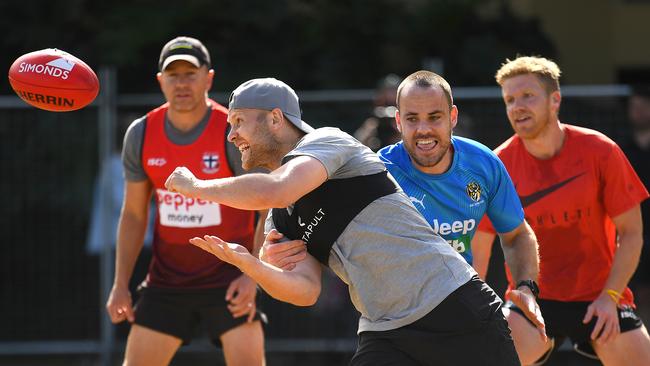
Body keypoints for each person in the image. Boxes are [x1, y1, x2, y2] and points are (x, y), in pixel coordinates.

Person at [164, 77, 520, 365]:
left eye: (238, 121)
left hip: (453, 304)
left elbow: (280, 187)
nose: (231, 135)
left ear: (275, 118)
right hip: (385, 330)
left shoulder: (327, 142)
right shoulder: (281, 218)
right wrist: (249, 264)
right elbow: (305, 291)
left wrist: (196, 187)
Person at [473, 56, 650, 365]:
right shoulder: (498, 166)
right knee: (486, 357)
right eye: (510, 100)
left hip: (600, 296)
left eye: (527, 96)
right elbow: (479, 247)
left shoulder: (600, 150)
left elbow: (632, 234)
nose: (517, 106)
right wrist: (477, 312)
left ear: (555, 100)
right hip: (532, 300)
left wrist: (610, 298)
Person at [104, 36, 266, 366]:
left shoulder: (231, 130)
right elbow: (134, 214)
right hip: (168, 281)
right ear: (160, 81)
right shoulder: (141, 133)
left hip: (230, 276)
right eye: (173, 74)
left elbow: (268, 207)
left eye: (190, 73)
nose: (182, 83)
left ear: (208, 78)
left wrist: (253, 275)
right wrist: (120, 284)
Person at [377, 70, 545, 340]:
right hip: (392, 318)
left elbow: (517, 235)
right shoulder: (378, 171)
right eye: (412, 119)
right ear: (398, 121)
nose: (423, 130)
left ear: (452, 117)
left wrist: (526, 288)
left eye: (435, 117)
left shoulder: (483, 164)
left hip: (462, 307)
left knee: (528, 335)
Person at [623, 85, 650, 324]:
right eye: (634, 107)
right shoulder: (622, 149)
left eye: (643, 107)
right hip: (633, 230)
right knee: (636, 293)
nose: (638, 112)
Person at [354, 74, 402, 151]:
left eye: (394, 90)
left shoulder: (404, 104)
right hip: (380, 144)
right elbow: (358, 142)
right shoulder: (376, 110)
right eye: (389, 90)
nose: (391, 94)